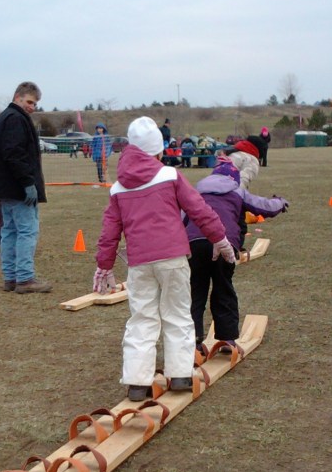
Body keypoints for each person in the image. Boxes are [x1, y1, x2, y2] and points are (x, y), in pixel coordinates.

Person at [93, 116, 235, 402]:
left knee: (142, 319)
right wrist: (219, 239)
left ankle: (136, 382)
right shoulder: (170, 175)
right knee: (178, 314)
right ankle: (181, 373)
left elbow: (109, 232)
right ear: (157, 151)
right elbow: (199, 209)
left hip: (139, 263)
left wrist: (104, 266)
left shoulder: (118, 187)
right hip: (172, 258)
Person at [186, 157, 288, 355]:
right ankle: (227, 339)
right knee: (223, 289)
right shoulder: (237, 191)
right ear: (234, 178)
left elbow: (181, 218)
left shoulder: (195, 192)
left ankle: (192, 341)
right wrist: (280, 202)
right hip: (224, 244)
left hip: (195, 245)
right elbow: (263, 206)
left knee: (195, 292)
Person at [0, 81, 50, 294]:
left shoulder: (6, 117)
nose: (32, 107)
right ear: (18, 96)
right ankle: (24, 278)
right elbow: (15, 154)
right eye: (30, 101)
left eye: (35, 104)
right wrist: (28, 183)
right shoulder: (15, 119)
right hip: (18, 188)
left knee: (10, 231)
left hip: (7, 188)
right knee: (26, 231)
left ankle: (10, 277)